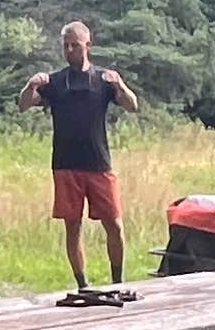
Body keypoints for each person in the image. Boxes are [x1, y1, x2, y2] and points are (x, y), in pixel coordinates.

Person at [18, 20, 143, 290]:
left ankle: (117, 282)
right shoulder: (56, 81)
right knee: (73, 228)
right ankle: (83, 285)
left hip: (99, 164)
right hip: (65, 165)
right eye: (65, 45)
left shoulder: (103, 79)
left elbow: (133, 106)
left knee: (115, 225)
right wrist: (30, 87)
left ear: (88, 44)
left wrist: (120, 85)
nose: (70, 49)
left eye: (75, 44)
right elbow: (23, 106)